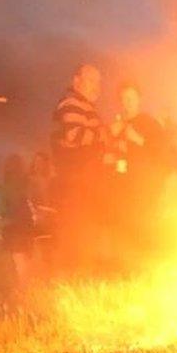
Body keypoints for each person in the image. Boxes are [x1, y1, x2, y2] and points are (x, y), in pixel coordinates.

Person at [50, 64, 106, 271]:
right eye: (91, 80)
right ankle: (72, 279)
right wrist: (103, 135)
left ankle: (81, 276)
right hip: (74, 183)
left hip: (84, 182)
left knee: (85, 232)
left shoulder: (87, 106)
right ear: (77, 81)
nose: (97, 86)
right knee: (76, 232)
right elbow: (74, 135)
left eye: (99, 81)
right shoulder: (72, 102)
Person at [109, 83, 168, 261]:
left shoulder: (148, 121)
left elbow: (162, 151)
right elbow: (116, 155)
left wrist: (138, 139)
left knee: (146, 224)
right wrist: (114, 153)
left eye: (131, 98)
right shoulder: (119, 125)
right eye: (124, 99)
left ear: (139, 100)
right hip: (124, 185)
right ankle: (130, 265)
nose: (128, 102)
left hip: (146, 184)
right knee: (127, 226)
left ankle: (151, 263)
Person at [0, 155, 35, 287]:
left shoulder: (7, 185)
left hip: (13, 225)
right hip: (26, 223)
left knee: (18, 258)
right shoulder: (27, 182)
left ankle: (24, 287)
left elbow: (4, 208)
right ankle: (28, 284)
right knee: (27, 256)